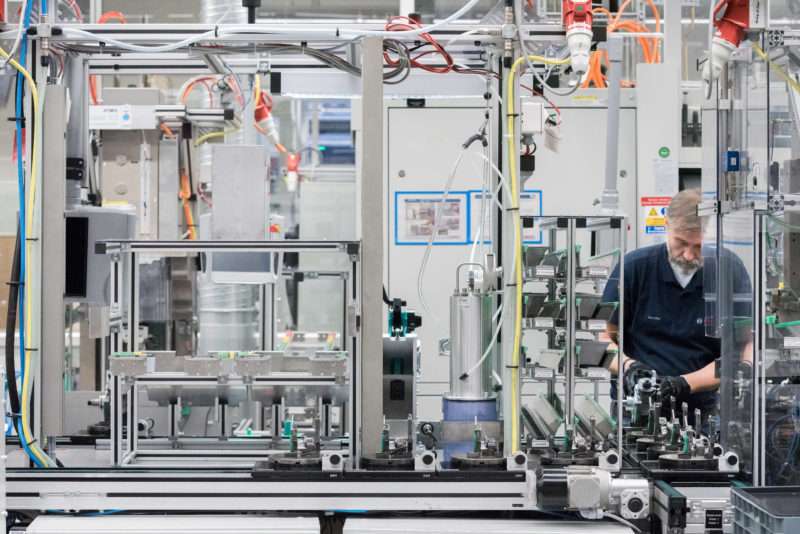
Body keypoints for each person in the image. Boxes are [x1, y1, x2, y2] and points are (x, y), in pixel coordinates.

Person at [600, 189, 751, 424]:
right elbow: (602, 338)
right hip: (635, 414)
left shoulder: (729, 270)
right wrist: (629, 368)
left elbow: (744, 347)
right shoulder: (633, 269)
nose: (689, 255)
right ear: (666, 225)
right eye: (681, 243)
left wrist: (685, 383)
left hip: (702, 415)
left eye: (699, 246)